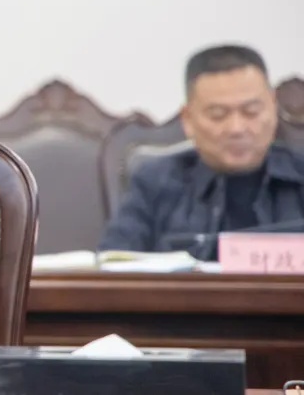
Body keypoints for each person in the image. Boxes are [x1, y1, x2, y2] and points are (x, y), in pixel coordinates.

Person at [100, 45, 304, 259]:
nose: (236, 128)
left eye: (251, 111)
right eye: (218, 114)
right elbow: (113, 265)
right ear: (188, 118)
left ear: (273, 106)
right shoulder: (155, 183)